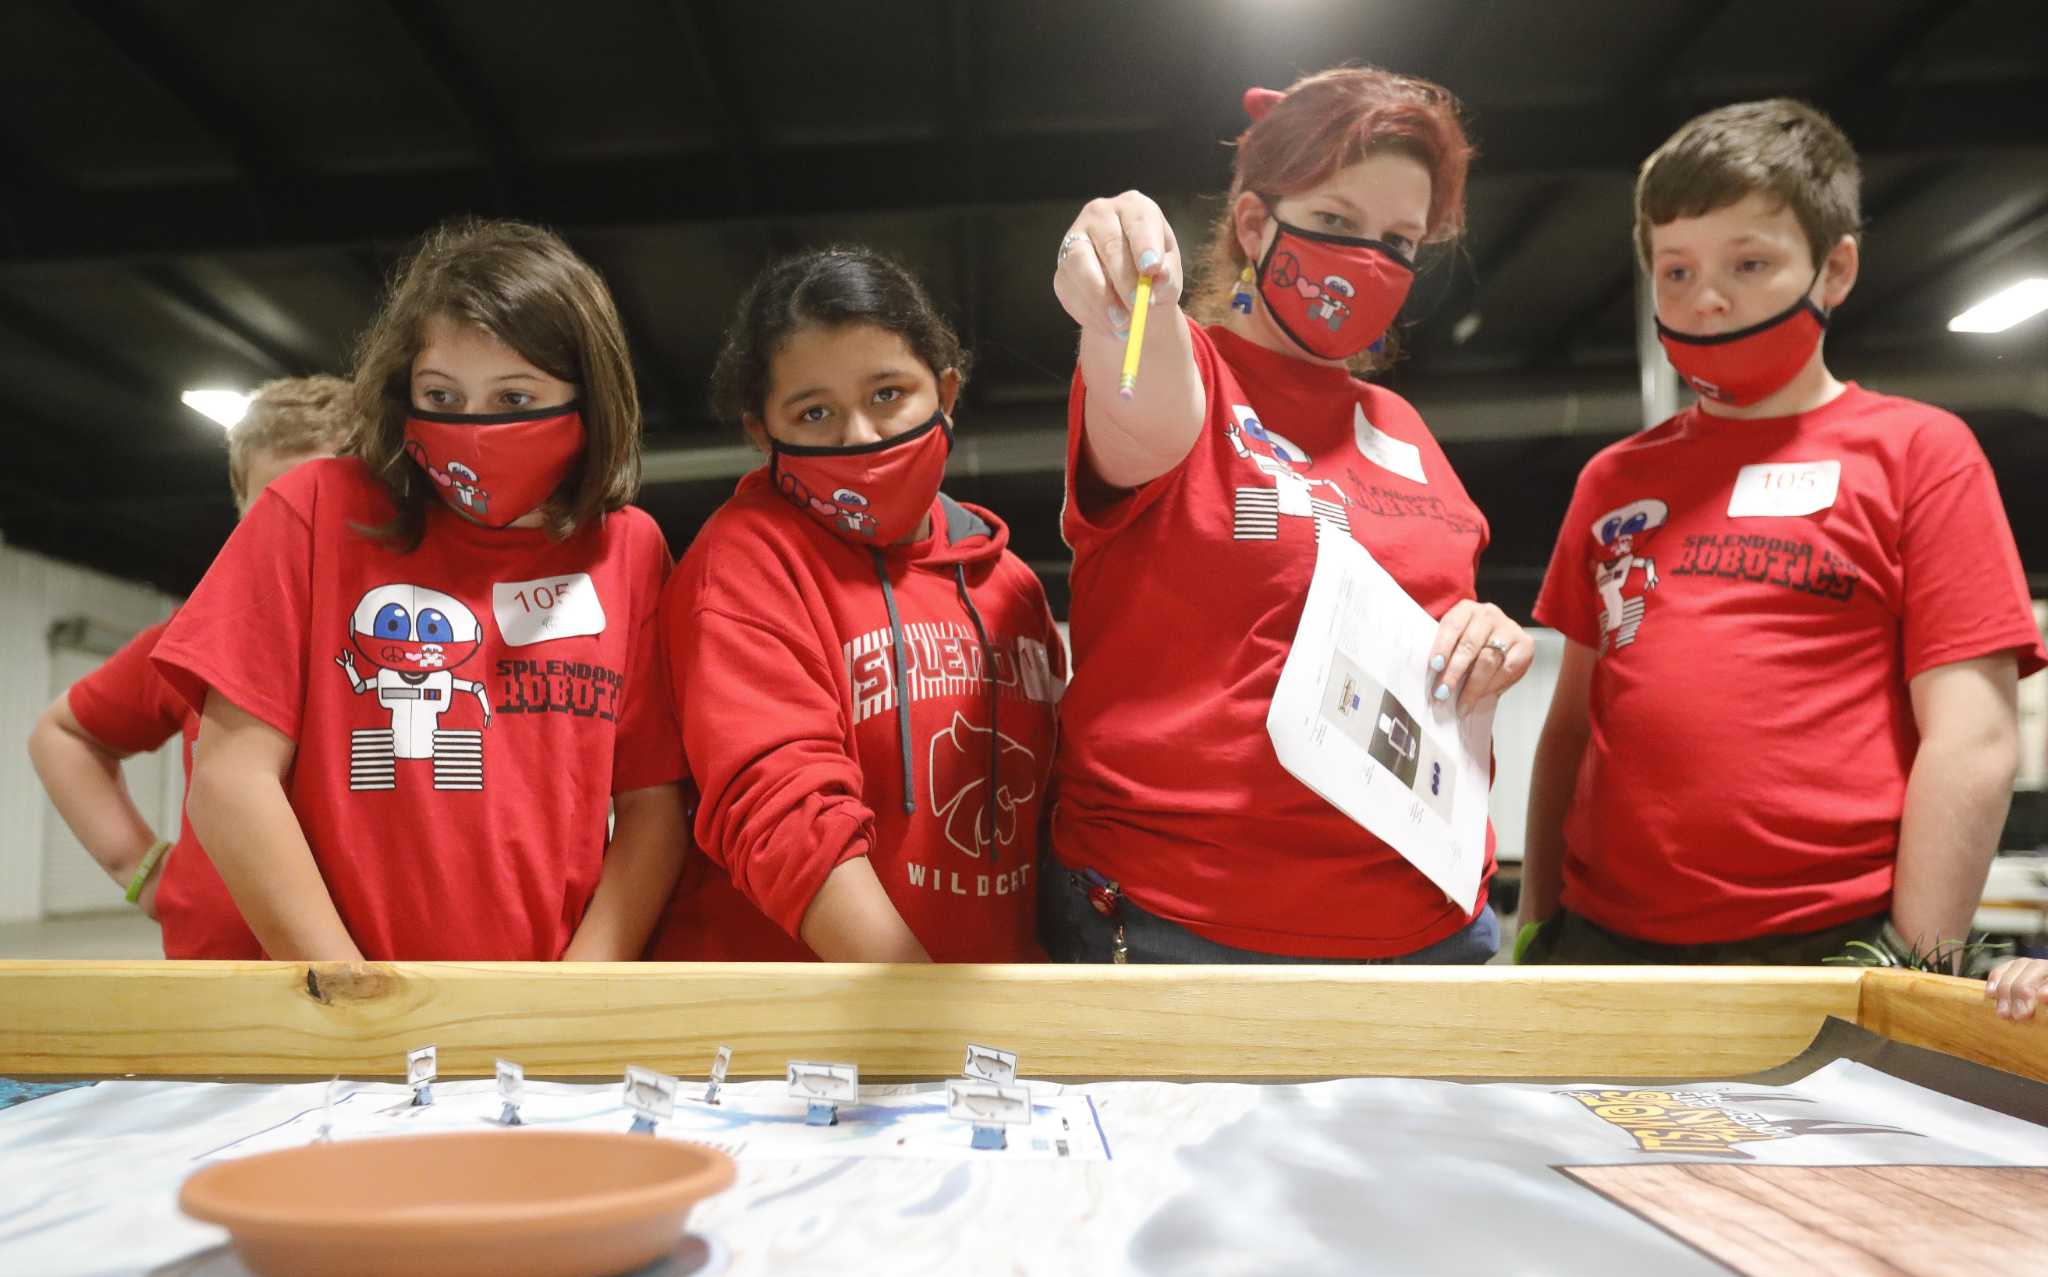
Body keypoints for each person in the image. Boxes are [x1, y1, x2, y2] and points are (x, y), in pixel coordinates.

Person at [1518, 99, 2045, 975]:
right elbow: (1569, 730)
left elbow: (1974, 738)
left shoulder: (1919, 453)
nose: (1707, 298)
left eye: (1749, 263)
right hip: (1605, 949)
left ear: (1834, 270)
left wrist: (1914, 967)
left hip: (1825, 947)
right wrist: (1538, 920)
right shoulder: (1615, 481)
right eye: (1674, 271)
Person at [1042, 67, 1532, 964]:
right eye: (1339, 224)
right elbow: (1138, 379)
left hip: (1432, 933)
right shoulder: (1191, 372)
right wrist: (1121, 297)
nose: (1370, 261)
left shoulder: (1405, 430)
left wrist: (1488, 638)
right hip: (1187, 933)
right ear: (1257, 224)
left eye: (1399, 240)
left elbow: (1438, 618)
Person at [153, 218, 685, 962]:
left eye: (512, 399)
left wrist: (579, 992)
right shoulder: (314, 512)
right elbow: (230, 780)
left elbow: (653, 805)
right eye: (442, 395)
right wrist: (350, 994)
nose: (473, 430)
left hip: (541, 1018)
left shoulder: (626, 550)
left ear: (587, 399)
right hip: (341, 1011)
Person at [656, 247, 1064, 962]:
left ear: (945, 389)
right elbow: (783, 812)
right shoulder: (744, 563)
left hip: (982, 1037)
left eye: (887, 394)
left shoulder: (1012, 588)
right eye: (815, 412)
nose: (861, 438)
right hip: (800, 1041)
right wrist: (922, 1012)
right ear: (763, 431)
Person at [28, 376, 352, 957]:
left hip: (370, 967)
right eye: (277, 509)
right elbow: (63, 735)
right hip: (217, 966)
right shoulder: (200, 636)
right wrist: (141, 868)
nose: (303, 532)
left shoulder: (417, 651)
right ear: (241, 511)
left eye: (326, 506)